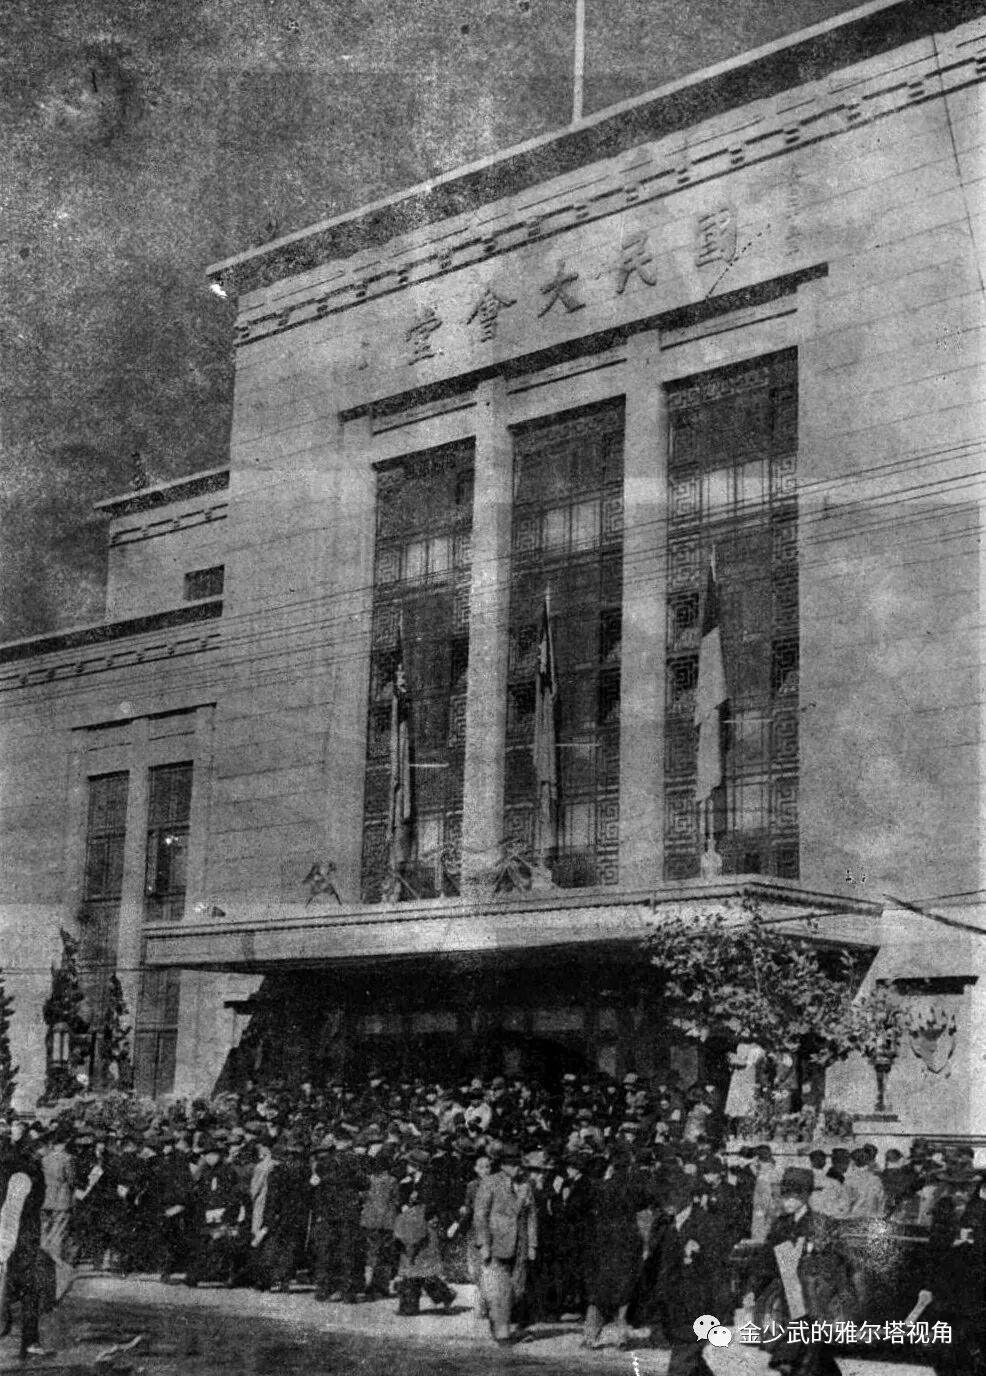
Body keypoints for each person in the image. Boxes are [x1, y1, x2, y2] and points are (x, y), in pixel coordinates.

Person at [752, 1166, 851, 1376]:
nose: (787, 1202)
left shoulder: (822, 1223)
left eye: (793, 1197)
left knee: (798, 1355)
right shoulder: (780, 1225)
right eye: (784, 1197)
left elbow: (839, 1259)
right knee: (810, 1355)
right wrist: (753, 1289)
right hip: (788, 1298)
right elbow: (766, 1261)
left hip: (814, 1299)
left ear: (805, 1197)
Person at [472, 1142, 537, 1346]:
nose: (518, 1168)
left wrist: (532, 1244)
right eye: (514, 1164)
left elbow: (532, 1215)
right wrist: (484, 1244)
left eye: (519, 1164)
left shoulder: (526, 1185)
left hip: (520, 1245)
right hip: (496, 1244)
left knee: (517, 1290)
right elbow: (480, 1216)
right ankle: (503, 1334)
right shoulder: (490, 1183)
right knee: (500, 1290)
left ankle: (499, 1323)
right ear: (503, 1165)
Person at [0, 1119, 52, 1359]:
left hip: (16, 1238)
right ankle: (29, 1340)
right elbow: (13, 1211)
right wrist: (6, 1246)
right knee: (30, 1288)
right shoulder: (25, 1173)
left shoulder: (14, 1167)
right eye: (44, 1146)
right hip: (19, 1240)